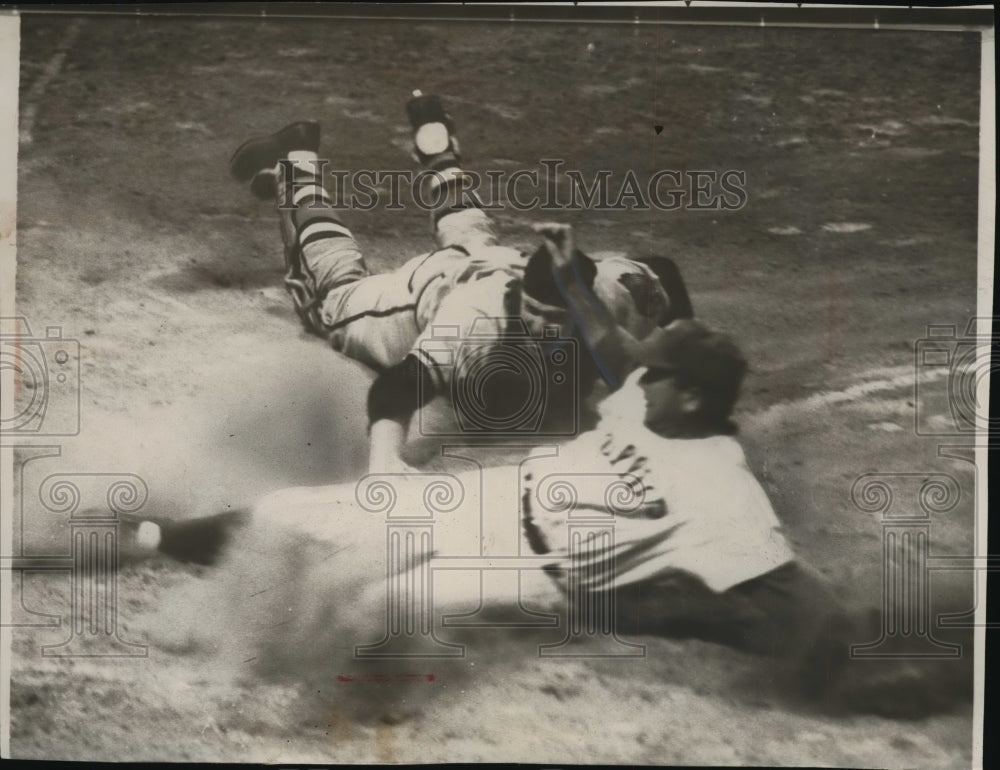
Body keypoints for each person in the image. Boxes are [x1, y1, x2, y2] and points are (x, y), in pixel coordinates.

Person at [228, 92, 693, 473]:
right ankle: (298, 164)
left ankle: (436, 143)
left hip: (494, 263)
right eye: (538, 319)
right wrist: (385, 462)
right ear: (523, 303)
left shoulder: (607, 296)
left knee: (472, 235)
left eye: (558, 321)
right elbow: (396, 388)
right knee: (330, 297)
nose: (546, 331)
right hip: (428, 293)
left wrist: (685, 360)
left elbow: (663, 273)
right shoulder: (472, 322)